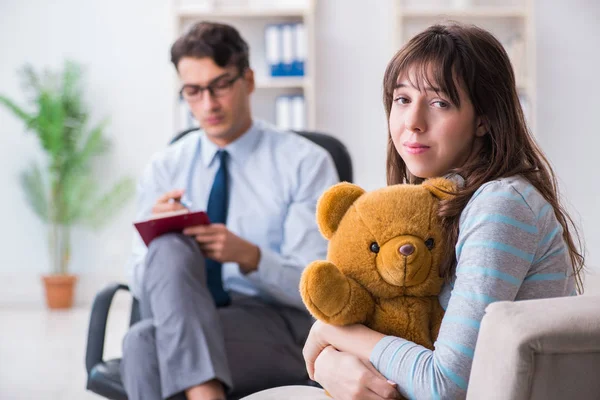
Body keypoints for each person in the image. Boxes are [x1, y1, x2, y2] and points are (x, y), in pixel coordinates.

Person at [245, 23, 585, 400]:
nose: (413, 122)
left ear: (484, 120)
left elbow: (446, 386)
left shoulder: (500, 206)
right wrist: (330, 363)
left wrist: (331, 333)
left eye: (440, 102)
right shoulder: (436, 204)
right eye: (402, 99)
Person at [120, 21, 339, 400]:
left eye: (220, 85)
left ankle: (202, 387)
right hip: (186, 317)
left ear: (248, 80)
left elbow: (318, 291)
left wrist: (250, 257)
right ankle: (206, 391)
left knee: (143, 348)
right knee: (166, 259)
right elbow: (141, 289)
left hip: (275, 323)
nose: (208, 104)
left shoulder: (306, 163)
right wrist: (157, 243)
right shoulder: (164, 168)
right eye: (193, 91)